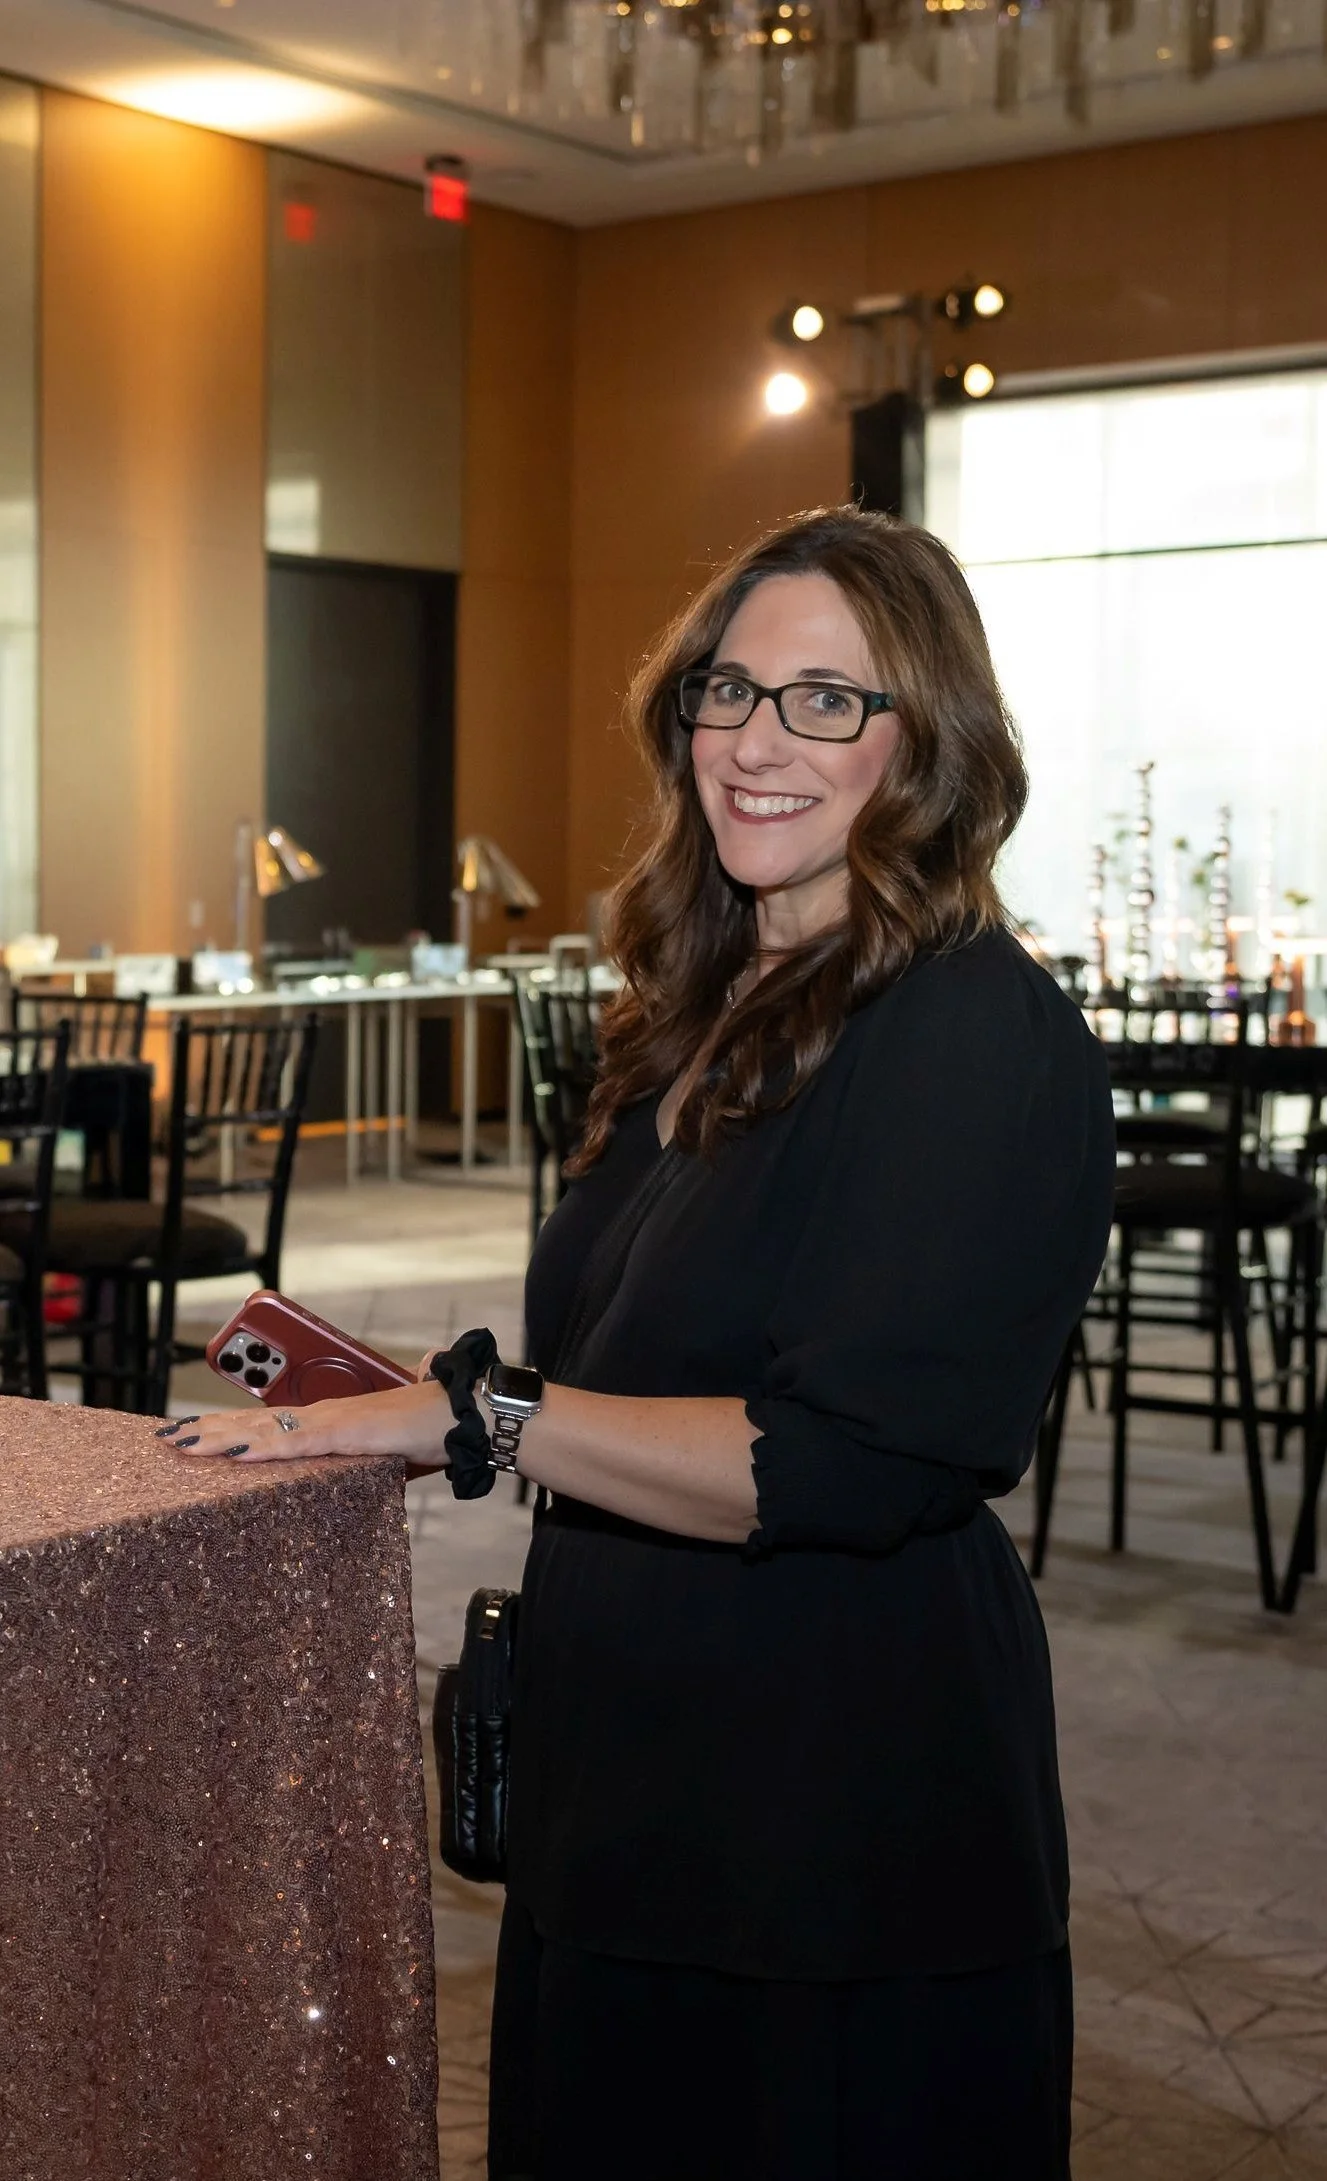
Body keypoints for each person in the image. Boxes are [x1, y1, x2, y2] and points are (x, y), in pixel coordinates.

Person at [174, 506, 1114, 2180]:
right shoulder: (704, 1006)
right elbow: (627, 1352)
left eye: (829, 700)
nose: (757, 742)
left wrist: (475, 1417)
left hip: (831, 1817)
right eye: (727, 690)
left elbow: (834, 1456)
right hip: (627, 1779)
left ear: (932, 743)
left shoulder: (972, 1032)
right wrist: (387, 1400)